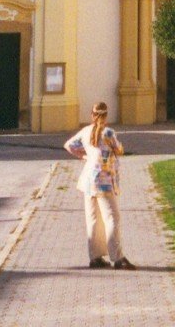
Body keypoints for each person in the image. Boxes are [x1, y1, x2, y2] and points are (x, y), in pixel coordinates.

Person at [64, 102, 136, 271]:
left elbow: (68, 145)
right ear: (106, 115)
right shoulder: (109, 132)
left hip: (88, 180)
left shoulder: (85, 131)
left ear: (92, 114)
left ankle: (95, 257)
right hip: (103, 182)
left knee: (93, 219)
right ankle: (118, 258)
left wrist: (84, 156)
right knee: (112, 218)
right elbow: (119, 149)